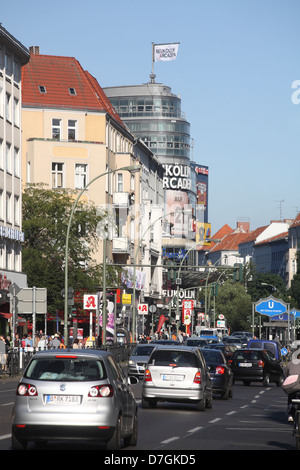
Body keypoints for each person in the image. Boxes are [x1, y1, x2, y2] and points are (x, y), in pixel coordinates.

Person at [284, 349, 300, 422]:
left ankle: (290, 414)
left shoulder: (289, 364)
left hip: (292, 387)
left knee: (290, 396)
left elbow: (286, 375)